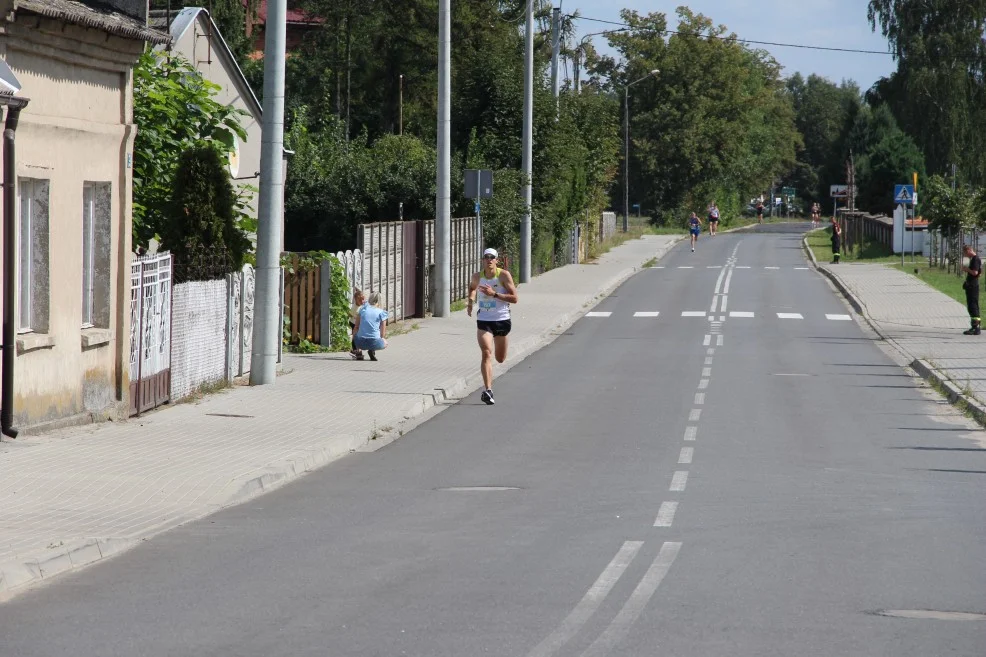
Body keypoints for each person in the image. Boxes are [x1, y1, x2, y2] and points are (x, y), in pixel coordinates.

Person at [467, 248, 518, 405]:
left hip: (502, 319)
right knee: (486, 352)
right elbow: (472, 288)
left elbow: (515, 298)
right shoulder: (477, 276)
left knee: (500, 359)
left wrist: (494, 294)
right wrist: (470, 301)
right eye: (486, 257)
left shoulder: (503, 275)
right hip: (484, 320)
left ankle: (489, 386)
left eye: (492, 257)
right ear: (482, 260)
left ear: (497, 260)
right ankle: (488, 390)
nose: (489, 260)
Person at [352, 291, 388, 361]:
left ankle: (358, 352)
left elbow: (356, 326)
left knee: (356, 332)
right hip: (375, 343)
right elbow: (382, 334)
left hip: (360, 343)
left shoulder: (362, 310)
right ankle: (372, 350)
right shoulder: (381, 312)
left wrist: (354, 337)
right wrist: (382, 338)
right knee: (385, 342)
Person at [962, 244, 981, 335]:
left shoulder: (975, 259)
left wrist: (966, 269)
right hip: (972, 285)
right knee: (972, 305)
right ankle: (975, 326)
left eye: (965, 253)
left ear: (969, 250)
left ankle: (975, 327)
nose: (965, 255)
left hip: (973, 286)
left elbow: (975, 272)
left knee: (973, 306)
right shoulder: (974, 259)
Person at [349, 287, 366, 360]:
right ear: (356, 300)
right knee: (355, 336)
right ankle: (355, 350)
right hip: (354, 323)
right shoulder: (354, 308)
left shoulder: (363, 304)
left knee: (360, 337)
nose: (362, 301)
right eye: (360, 300)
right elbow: (350, 315)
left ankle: (358, 350)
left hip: (360, 324)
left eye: (363, 299)